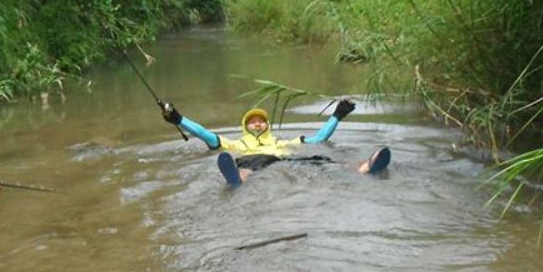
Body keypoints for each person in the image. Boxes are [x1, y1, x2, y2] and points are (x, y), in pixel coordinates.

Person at [159, 100, 390, 185]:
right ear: (245, 127)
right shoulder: (236, 144)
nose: (258, 124)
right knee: (250, 165)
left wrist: (337, 116)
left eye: (261, 121)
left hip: (283, 160)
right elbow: (205, 134)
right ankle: (238, 177)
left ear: (267, 125)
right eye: (252, 122)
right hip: (253, 159)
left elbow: (318, 139)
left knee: (320, 159)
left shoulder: (282, 142)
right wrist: (180, 119)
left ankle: (362, 167)